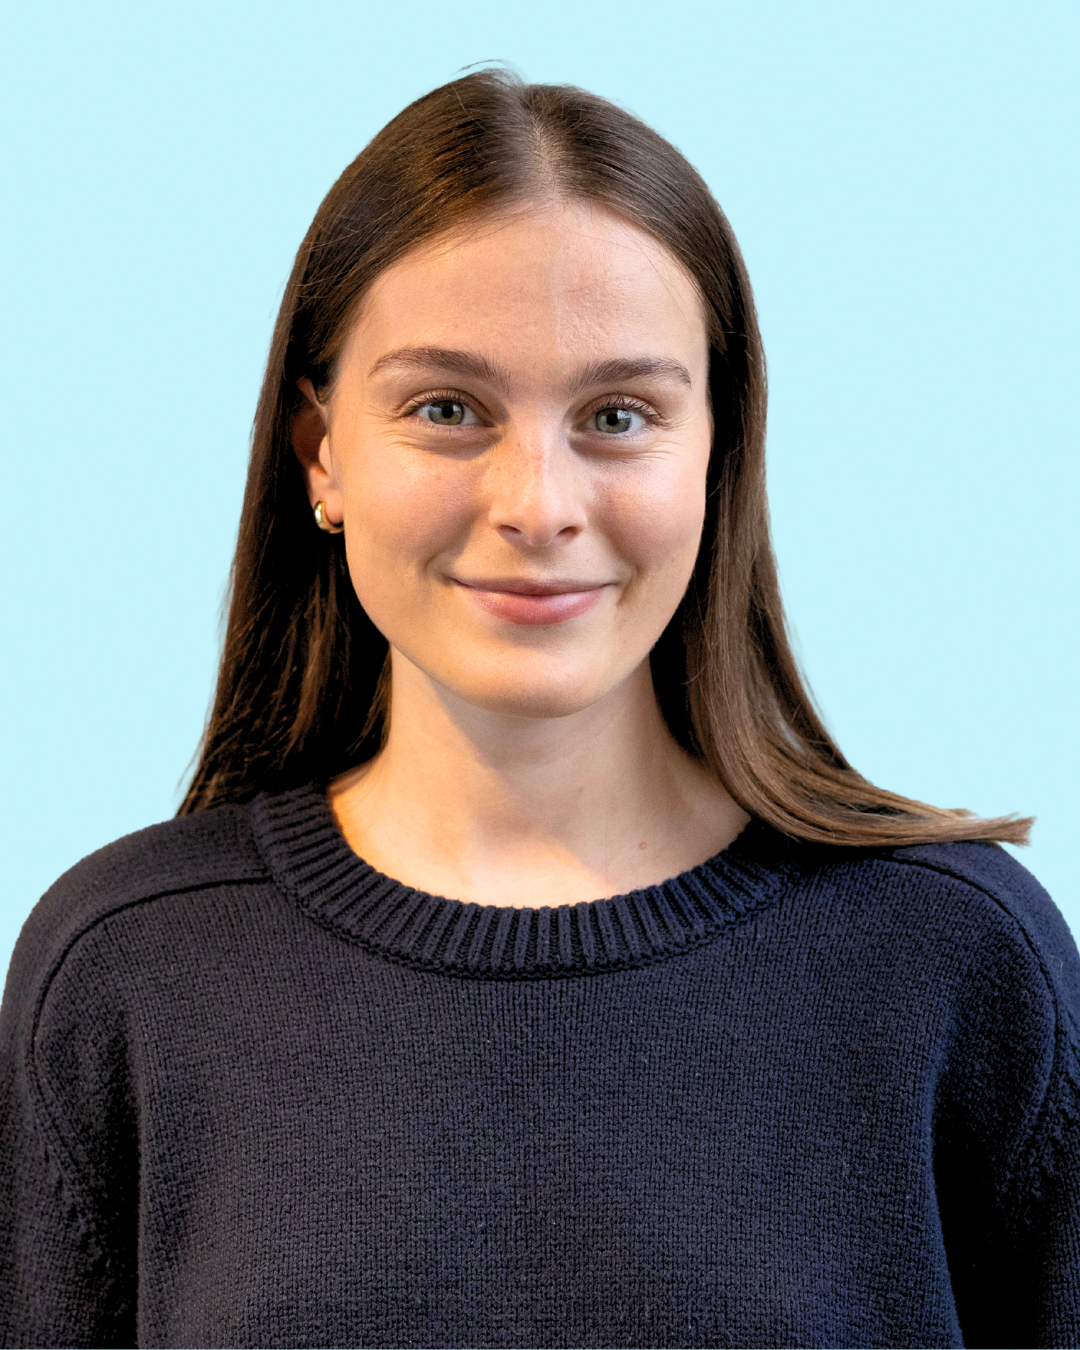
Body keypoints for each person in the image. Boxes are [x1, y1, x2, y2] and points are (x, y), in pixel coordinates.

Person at [1, 69, 1077, 1350]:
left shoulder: (956, 961)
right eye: (447, 409)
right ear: (321, 452)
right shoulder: (125, 970)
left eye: (618, 416)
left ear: (718, 455)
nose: (538, 504)